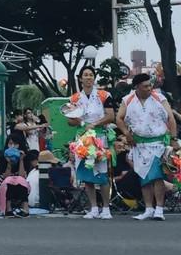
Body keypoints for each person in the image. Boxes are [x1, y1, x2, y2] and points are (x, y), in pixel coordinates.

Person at [116, 73, 178, 221]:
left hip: (157, 143)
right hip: (139, 144)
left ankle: (159, 209)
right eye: (145, 86)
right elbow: (118, 118)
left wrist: (174, 139)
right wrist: (126, 133)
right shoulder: (128, 100)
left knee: (156, 176)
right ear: (137, 87)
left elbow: (170, 118)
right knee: (144, 177)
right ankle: (148, 208)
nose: (149, 88)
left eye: (150, 85)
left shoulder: (159, 98)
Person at [67, 65, 115, 219]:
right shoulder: (74, 98)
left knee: (102, 173)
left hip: (99, 137)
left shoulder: (104, 95)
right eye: (85, 75)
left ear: (94, 78)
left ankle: (106, 208)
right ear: (80, 79)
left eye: (91, 75)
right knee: (86, 174)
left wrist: (95, 124)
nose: (88, 77)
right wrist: (82, 123)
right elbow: (70, 120)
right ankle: (93, 208)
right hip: (82, 139)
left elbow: (110, 116)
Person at [0, 142, 31, 217]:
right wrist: (9, 163)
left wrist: (21, 160)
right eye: (10, 143)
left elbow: (22, 176)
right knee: (9, 183)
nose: (13, 146)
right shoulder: (2, 158)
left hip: (20, 184)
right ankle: (8, 209)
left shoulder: (24, 158)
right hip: (6, 184)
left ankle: (25, 209)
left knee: (21, 182)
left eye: (15, 144)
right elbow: (6, 177)